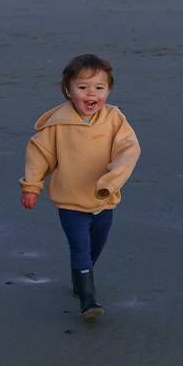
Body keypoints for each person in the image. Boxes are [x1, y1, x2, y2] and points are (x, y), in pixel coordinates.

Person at [20, 54, 141, 322]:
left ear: (108, 90)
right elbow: (39, 154)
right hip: (70, 200)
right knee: (80, 246)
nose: (91, 94)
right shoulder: (57, 124)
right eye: (82, 87)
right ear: (68, 90)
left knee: (96, 245)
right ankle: (88, 300)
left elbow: (128, 150)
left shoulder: (114, 120)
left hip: (104, 199)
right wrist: (32, 186)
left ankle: (80, 276)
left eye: (99, 88)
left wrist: (110, 181)